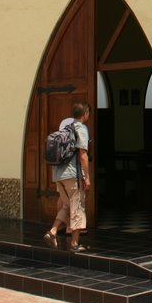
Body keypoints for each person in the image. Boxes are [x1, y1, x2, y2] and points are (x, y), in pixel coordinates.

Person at [44, 102, 91, 252]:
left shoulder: (66, 128)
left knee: (67, 205)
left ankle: (52, 232)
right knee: (77, 208)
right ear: (85, 114)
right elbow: (83, 155)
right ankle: (74, 244)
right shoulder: (81, 129)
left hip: (58, 175)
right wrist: (87, 177)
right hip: (73, 175)